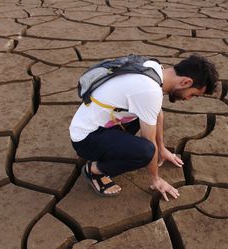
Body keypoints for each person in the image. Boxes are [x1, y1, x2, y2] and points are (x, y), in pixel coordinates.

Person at [69, 54, 218, 201]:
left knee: (147, 122)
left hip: (96, 124)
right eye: (193, 94)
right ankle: (94, 171)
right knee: (145, 151)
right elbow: (149, 142)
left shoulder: (152, 67)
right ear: (186, 82)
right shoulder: (149, 90)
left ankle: (109, 151)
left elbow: (157, 113)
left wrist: (162, 148)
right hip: (85, 139)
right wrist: (156, 179)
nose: (188, 98)